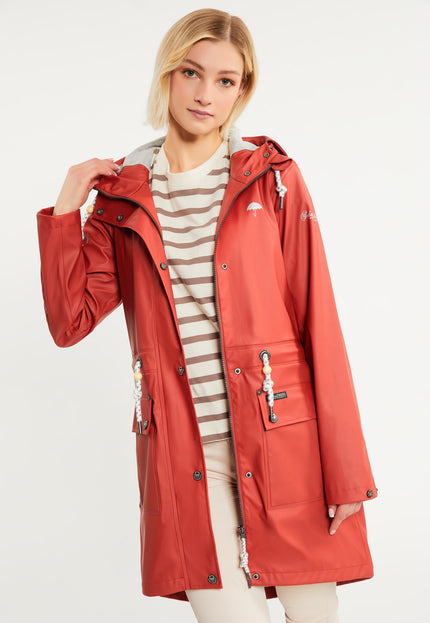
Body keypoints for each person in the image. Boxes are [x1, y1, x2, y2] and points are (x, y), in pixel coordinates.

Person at [36, 8, 378, 623]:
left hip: (285, 443)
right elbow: (70, 321)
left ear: (241, 91)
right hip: (184, 451)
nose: (205, 94)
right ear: (167, 74)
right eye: (191, 72)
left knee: (313, 614)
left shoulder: (272, 179)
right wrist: (66, 209)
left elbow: (319, 320)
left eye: (226, 80)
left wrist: (347, 468)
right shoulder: (122, 200)